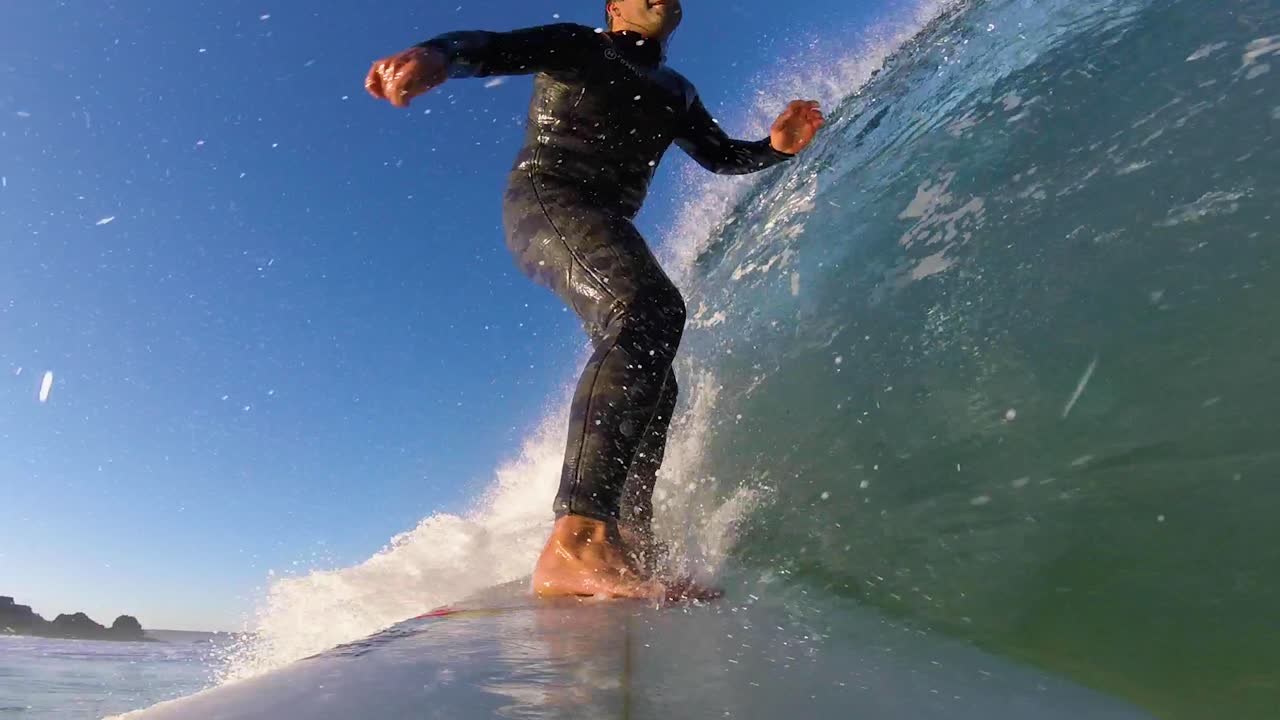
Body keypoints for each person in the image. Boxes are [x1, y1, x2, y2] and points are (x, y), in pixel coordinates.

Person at [365, 0, 823, 601]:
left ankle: (630, 541)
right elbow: (492, 46)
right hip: (547, 201)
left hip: (607, 220)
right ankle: (578, 541)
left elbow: (720, 156)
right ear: (613, 8)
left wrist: (775, 148)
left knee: (656, 375)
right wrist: (437, 55)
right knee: (647, 311)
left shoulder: (677, 90)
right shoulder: (580, 44)